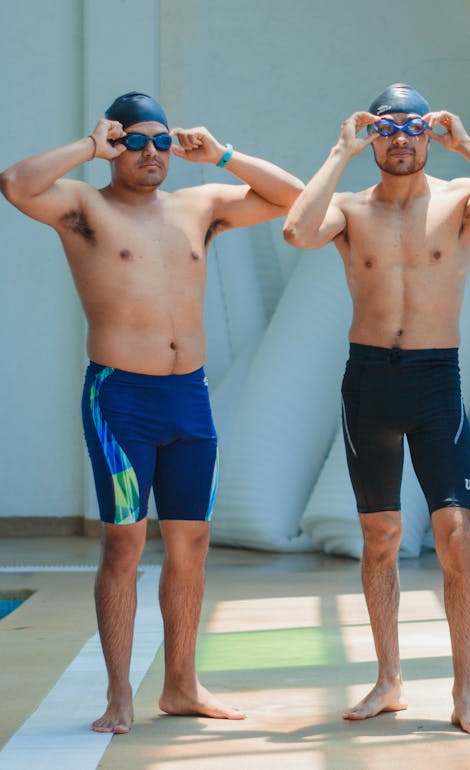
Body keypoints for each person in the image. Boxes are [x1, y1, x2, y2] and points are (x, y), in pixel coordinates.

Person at [0, 91, 303, 734]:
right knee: (125, 542)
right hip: (121, 398)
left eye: (159, 141)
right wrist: (88, 145)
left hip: (189, 396)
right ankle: (118, 695)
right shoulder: (85, 207)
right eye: (134, 141)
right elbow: (16, 184)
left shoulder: (200, 206)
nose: (149, 153)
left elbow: (293, 197)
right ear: (115, 144)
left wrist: (221, 154)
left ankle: (182, 685)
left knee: (191, 541)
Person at [283, 83, 470, 734]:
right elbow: (297, 230)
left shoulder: (459, 199)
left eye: (413, 127)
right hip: (368, 383)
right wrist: (340, 151)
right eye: (387, 128)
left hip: (433, 380)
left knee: (457, 534)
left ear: (429, 133)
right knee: (380, 540)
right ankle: (388, 680)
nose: (401, 138)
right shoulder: (349, 207)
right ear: (373, 136)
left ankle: (464, 690)